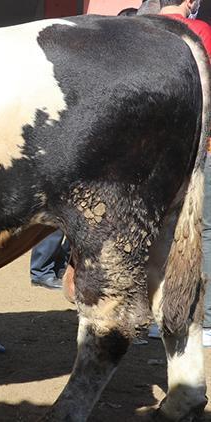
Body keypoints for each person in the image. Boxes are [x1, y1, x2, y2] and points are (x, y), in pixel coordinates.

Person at [158, 0, 211, 346]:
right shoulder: (202, 32)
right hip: (204, 144)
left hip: (157, 150)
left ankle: (160, 315)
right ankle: (204, 323)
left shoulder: (138, 30)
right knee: (203, 230)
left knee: (158, 230)